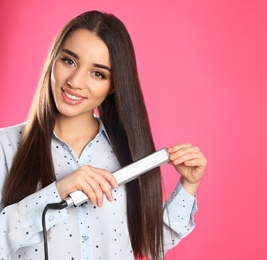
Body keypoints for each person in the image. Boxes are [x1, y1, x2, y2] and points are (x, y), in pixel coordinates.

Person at [0, 10, 207, 260]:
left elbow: (151, 243)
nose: (76, 81)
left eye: (97, 73)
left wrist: (188, 187)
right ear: (53, 59)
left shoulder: (128, 153)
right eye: (69, 61)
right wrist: (57, 192)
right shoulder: (6, 146)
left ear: (114, 84)